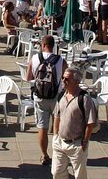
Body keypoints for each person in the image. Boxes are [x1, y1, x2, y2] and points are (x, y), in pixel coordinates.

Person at [26, 35, 67, 166]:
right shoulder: (60, 60)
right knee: (57, 128)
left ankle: (44, 155)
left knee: (42, 127)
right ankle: (58, 154)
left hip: (40, 97)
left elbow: (28, 77)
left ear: (42, 45)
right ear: (53, 46)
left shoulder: (34, 58)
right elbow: (67, 78)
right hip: (57, 97)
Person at [51, 67, 96, 179]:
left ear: (76, 82)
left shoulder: (84, 99)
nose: (63, 81)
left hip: (76, 144)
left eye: (67, 79)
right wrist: (55, 136)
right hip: (60, 143)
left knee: (79, 175)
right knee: (57, 173)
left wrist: (85, 141)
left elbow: (90, 123)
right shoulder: (61, 95)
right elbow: (57, 115)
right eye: (63, 78)